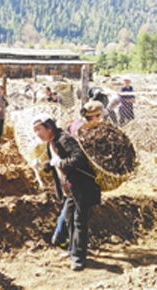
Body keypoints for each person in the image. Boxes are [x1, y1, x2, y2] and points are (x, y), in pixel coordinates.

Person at [33, 114, 101, 271]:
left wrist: (61, 162)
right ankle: (73, 250)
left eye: (39, 129)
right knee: (70, 218)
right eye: (35, 131)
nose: (37, 134)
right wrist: (45, 165)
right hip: (70, 188)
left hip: (82, 186)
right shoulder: (52, 142)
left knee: (79, 220)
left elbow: (80, 158)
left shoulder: (64, 139)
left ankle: (79, 258)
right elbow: (56, 161)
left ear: (49, 128)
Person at [53, 100, 104, 247]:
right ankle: (72, 244)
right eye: (99, 116)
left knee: (70, 203)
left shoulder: (74, 124)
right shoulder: (90, 130)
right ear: (95, 116)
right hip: (81, 172)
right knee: (79, 210)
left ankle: (60, 236)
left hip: (67, 170)